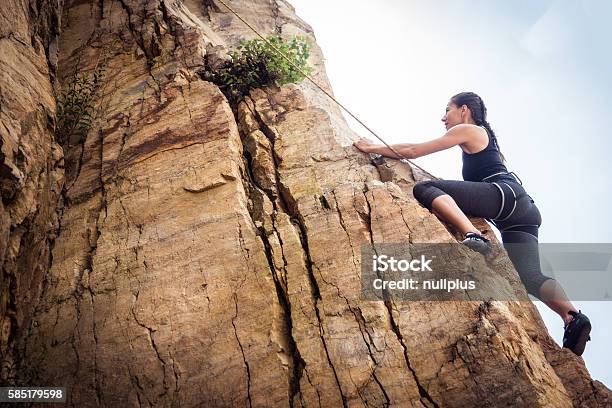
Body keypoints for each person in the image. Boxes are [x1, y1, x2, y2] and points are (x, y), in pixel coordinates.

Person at [353, 91, 591, 356]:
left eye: (448, 110)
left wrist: (371, 147)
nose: (443, 117)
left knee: (425, 188)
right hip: (520, 211)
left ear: (464, 110)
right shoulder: (484, 139)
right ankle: (573, 318)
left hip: (504, 197)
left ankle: (473, 235)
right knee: (531, 276)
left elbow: (413, 151)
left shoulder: (469, 129)